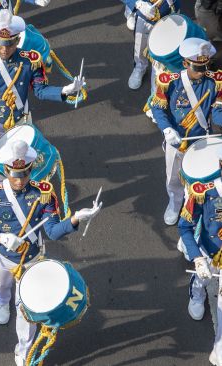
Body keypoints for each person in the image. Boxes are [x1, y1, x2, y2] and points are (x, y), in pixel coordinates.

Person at [0, 140, 101, 366]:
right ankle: (1, 301)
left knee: (26, 312)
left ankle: (23, 350)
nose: (19, 180)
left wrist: (75, 218)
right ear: (5, 171)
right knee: (1, 287)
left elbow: (52, 232)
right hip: (2, 257)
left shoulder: (44, 194)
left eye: (24, 174)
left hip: (31, 260)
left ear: (31, 170)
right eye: (14, 174)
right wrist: (0, 237)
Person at [0, 10, 84, 154]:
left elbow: (40, 91)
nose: (4, 49)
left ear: (17, 40)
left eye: (9, 45)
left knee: (23, 161)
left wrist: (64, 90)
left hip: (21, 121)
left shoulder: (30, 61)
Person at [150, 37, 222, 225]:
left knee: (199, 181)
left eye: (205, 67)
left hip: (201, 141)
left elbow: (216, 114)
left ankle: (193, 213)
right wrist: (166, 129)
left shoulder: (214, 82)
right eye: (198, 68)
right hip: (177, 140)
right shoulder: (171, 82)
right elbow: (158, 107)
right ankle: (174, 202)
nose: (203, 72)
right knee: (173, 177)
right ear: (185, 63)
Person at [178, 148, 222, 365]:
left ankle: (219, 347)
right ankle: (197, 295)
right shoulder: (202, 191)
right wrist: (197, 258)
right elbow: (185, 227)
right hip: (209, 252)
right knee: (202, 279)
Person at [123, 0, 180, 90]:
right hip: (144, 13)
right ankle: (140, 67)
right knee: (140, 45)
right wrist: (137, 3)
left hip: (168, 12)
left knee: (163, 51)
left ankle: (157, 80)